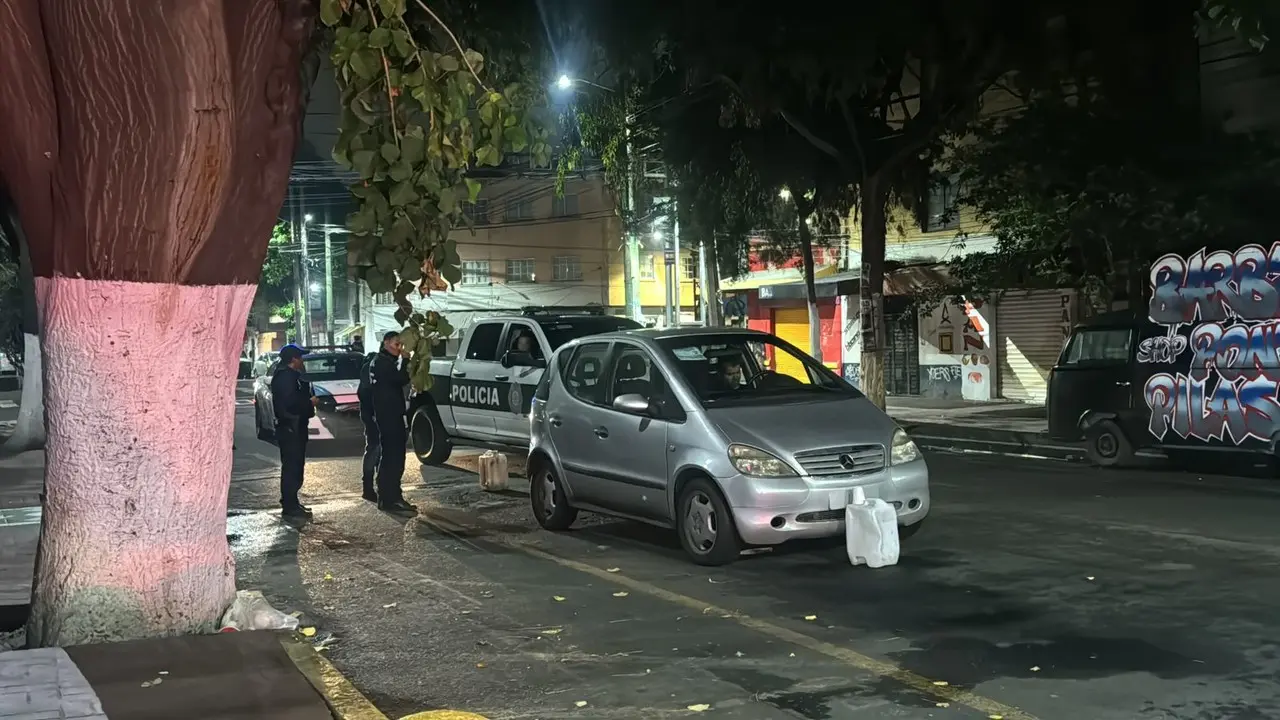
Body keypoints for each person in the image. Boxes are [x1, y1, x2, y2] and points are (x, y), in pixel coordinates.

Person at [370, 331, 415, 512]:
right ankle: (391, 498)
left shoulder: (379, 361)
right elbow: (400, 379)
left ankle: (387, 497)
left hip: (386, 414)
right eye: (397, 344)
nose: (400, 348)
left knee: (390, 456)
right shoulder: (383, 363)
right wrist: (405, 361)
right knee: (394, 458)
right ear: (386, 342)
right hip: (389, 415)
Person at [271, 344, 318, 518]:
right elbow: (290, 403)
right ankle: (290, 506)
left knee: (296, 466)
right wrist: (309, 403)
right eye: (300, 357)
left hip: (295, 426)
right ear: (293, 359)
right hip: (291, 427)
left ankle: (293, 502)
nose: (302, 361)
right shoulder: (285, 377)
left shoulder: (290, 376)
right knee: (292, 467)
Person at [357, 351, 380, 503]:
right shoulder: (370, 369)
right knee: (374, 448)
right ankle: (368, 488)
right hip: (373, 416)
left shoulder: (367, 370)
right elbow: (366, 395)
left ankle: (373, 487)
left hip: (371, 415)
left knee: (376, 449)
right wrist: (373, 414)